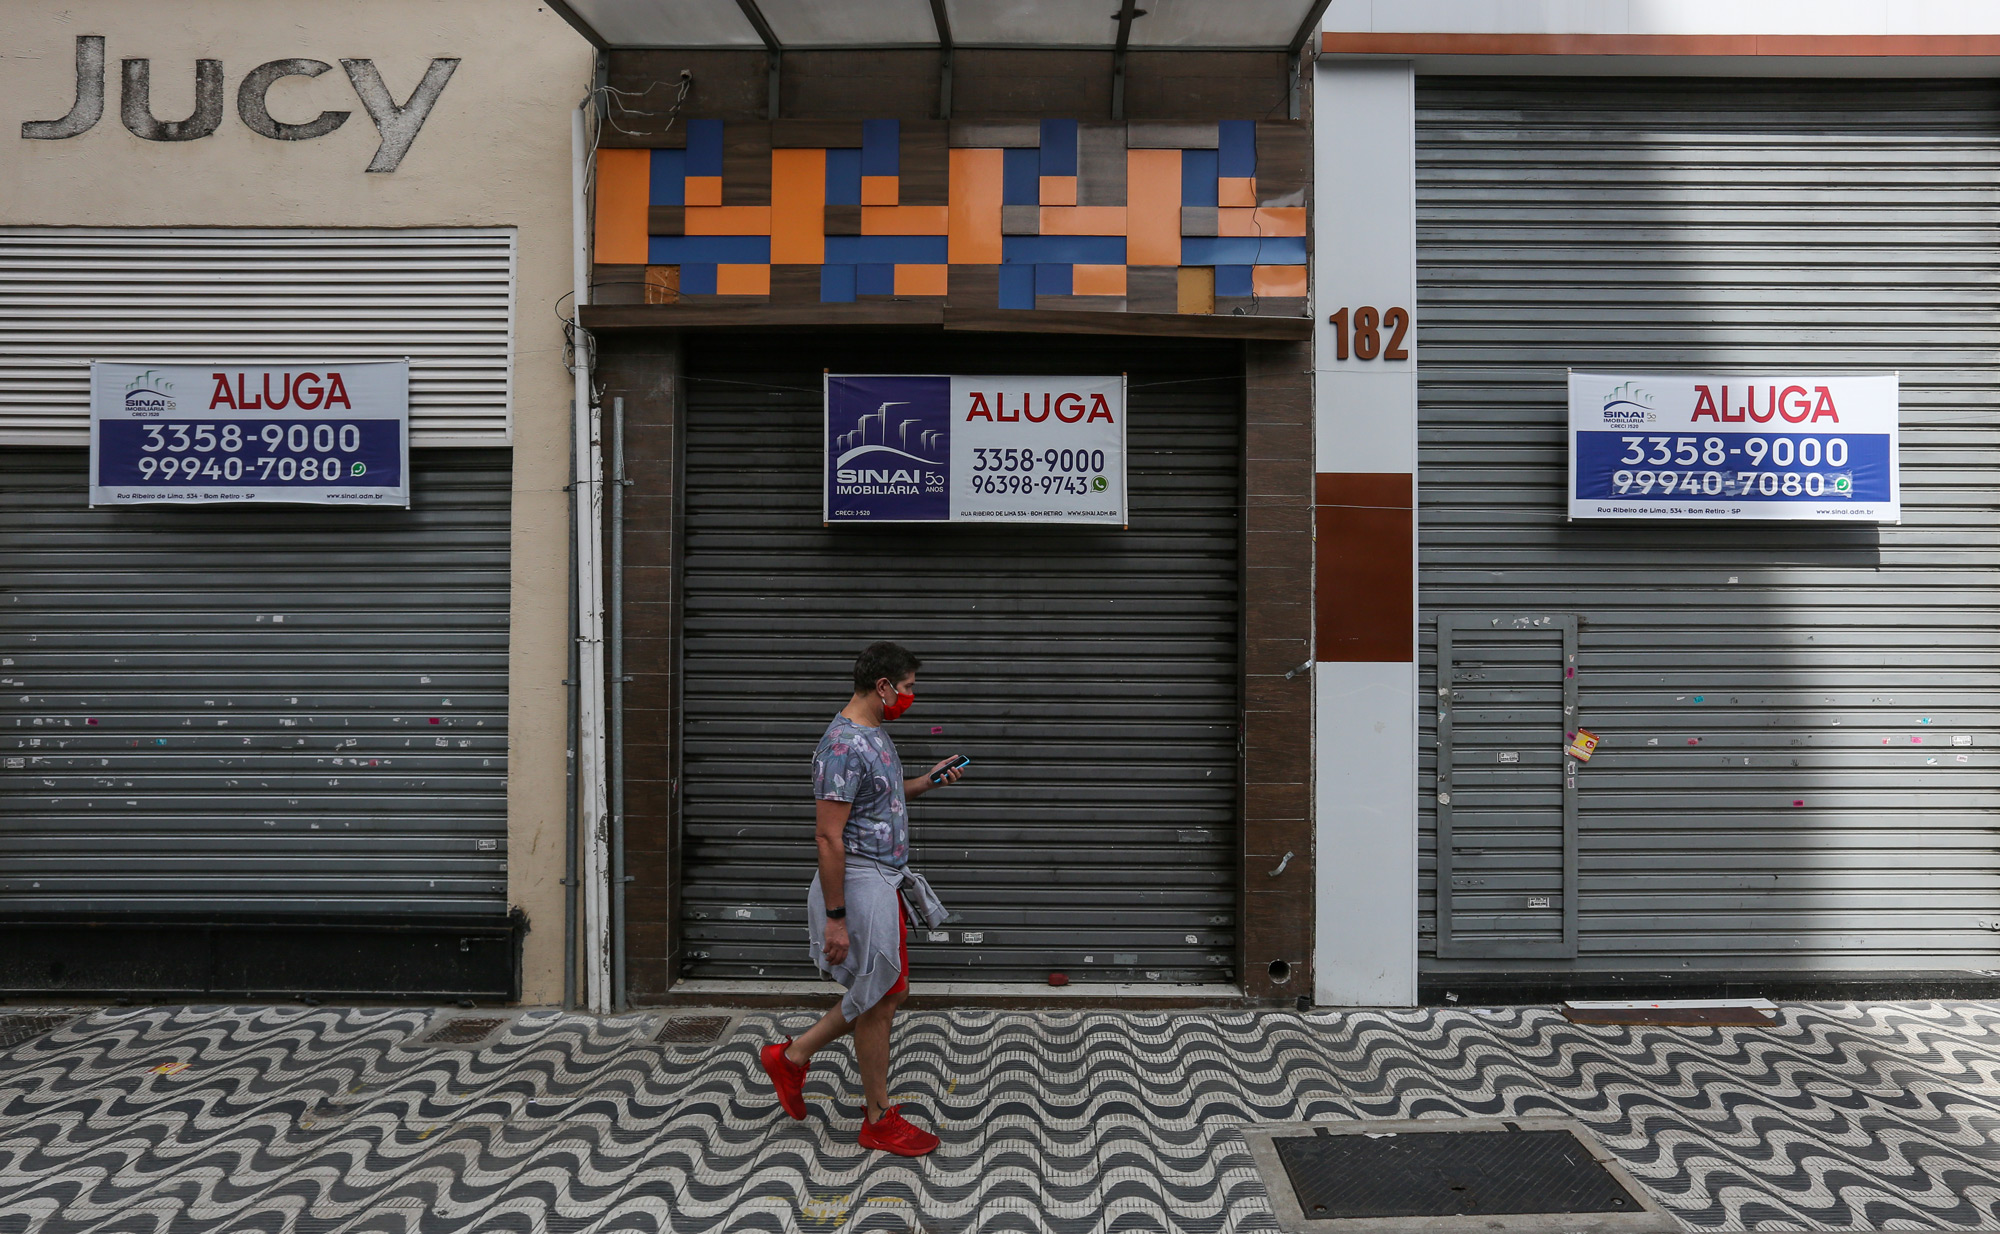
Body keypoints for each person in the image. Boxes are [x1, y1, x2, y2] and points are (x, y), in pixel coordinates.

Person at [759, 641, 965, 1156]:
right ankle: (876, 1117)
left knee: (888, 991)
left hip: (884, 878)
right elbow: (828, 837)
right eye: (909, 687)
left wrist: (929, 781)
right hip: (859, 882)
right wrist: (835, 919)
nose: (911, 696)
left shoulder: (875, 735)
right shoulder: (844, 745)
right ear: (884, 686)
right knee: (882, 996)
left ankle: (793, 1057)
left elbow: (885, 799)